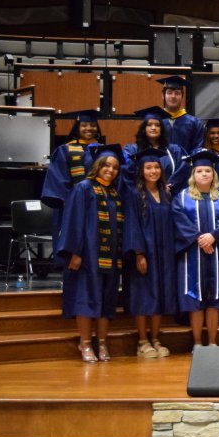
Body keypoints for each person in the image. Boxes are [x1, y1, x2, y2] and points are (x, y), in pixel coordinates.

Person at [59, 144, 124, 363]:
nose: (110, 170)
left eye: (115, 167)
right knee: (86, 299)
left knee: (106, 301)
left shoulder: (114, 192)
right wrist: (74, 253)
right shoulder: (84, 188)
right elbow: (73, 221)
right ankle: (85, 343)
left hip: (110, 257)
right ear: (96, 166)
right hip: (88, 256)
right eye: (106, 165)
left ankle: (102, 342)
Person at [172, 150, 219, 347]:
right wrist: (200, 239)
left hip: (218, 253)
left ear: (213, 174)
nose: (204, 174)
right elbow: (179, 220)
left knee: (215, 299)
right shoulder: (182, 198)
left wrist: (213, 236)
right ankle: (196, 343)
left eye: (207, 171)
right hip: (191, 253)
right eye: (199, 171)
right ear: (193, 175)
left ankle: (212, 342)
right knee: (195, 299)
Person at [123, 147, 176, 359]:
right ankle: (142, 341)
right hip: (145, 252)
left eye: (156, 167)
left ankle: (155, 338)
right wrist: (139, 253)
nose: (153, 171)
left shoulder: (166, 193)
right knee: (143, 296)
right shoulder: (135, 194)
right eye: (148, 167)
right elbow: (133, 225)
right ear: (141, 170)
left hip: (164, 253)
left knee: (160, 295)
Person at [41, 109, 102, 267]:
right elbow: (58, 178)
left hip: (98, 205)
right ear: (77, 127)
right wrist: (68, 201)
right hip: (72, 207)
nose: (89, 128)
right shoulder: (65, 150)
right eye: (84, 125)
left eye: (93, 125)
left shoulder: (104, 150)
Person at [122, 106, 188, 195]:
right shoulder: (132, 150)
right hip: (141, 197)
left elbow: (183, 169)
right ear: (143, 128)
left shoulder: (174, 150)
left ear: (162, 129)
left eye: (157, 125)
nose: (153, 128)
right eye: (149, 125)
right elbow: (126, 172)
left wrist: (170, 185)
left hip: (169, 196)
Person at [157, 75, 204, 154]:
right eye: (169, 93)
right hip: (161, 165)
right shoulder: (156, 121)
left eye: (177, 93)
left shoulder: (194, 123)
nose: (173, 96)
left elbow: (197, 148)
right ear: (163, 96)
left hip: (186, 165)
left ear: (182, 96)